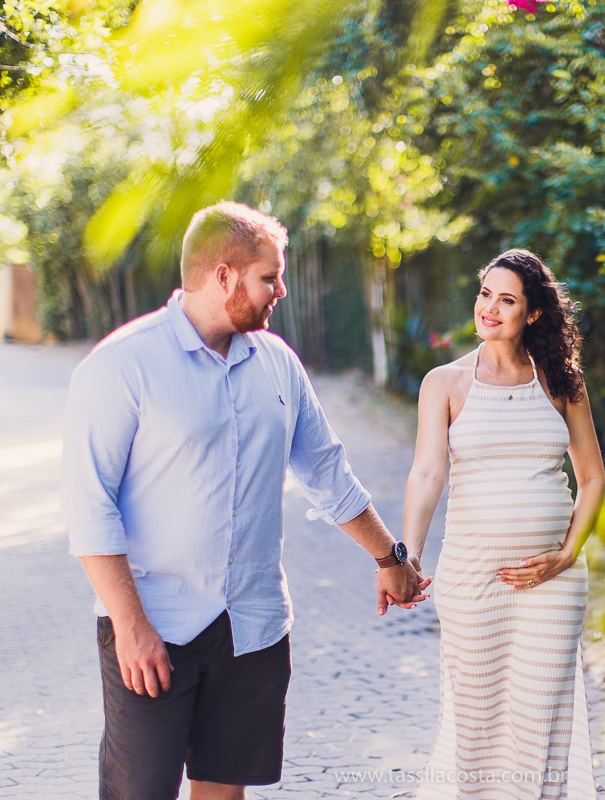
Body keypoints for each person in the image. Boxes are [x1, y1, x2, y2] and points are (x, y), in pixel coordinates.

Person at [60, 201, 429, 800]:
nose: (280, 289)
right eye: (270, 276)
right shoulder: (122, 366)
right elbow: (88, 506)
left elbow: (326, 471)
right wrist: (130, 626)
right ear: (223, 276)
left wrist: (390, 558)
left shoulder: (278, 364)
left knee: (224, 793)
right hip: (154, 626)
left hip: (252, 627)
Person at [404, 249, 605, 799]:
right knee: (475, 727)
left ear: (534, 313)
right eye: (485, 294)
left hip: (555, 585)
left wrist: (566, 555)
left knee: (541, 725)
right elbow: (427, 473)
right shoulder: (443, 383)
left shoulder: (562, 381)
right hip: (472, 582)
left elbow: (592, 479)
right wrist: (410, 554)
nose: (489, 308)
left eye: (507, 299)